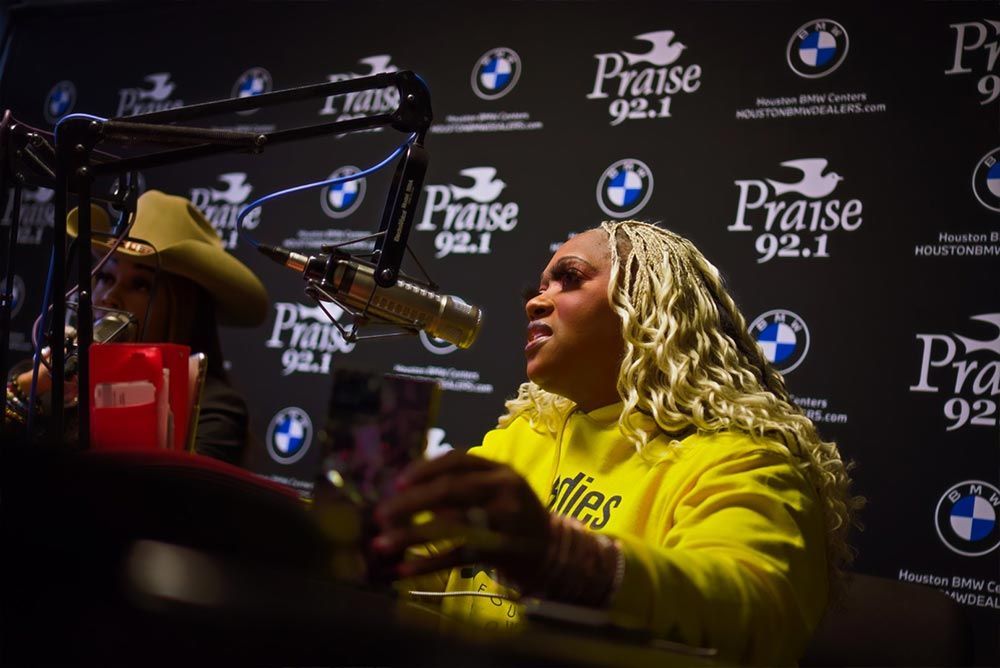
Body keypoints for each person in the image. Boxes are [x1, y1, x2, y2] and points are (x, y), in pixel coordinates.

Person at [372, 221, 860, 665]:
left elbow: (757, 611)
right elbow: (415, 564)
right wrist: (339, 536)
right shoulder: (523, 436)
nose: (535, 302)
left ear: (648, 303)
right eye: (538, 288)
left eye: (570, 278)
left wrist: (568, 560)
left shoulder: (743, 457)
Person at [4, 190, 269, 465]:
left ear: (183, 308)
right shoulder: (53, 381)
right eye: (106, 277)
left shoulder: (214, 409)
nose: (109, 297)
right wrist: (29, 388)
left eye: (139, 285)